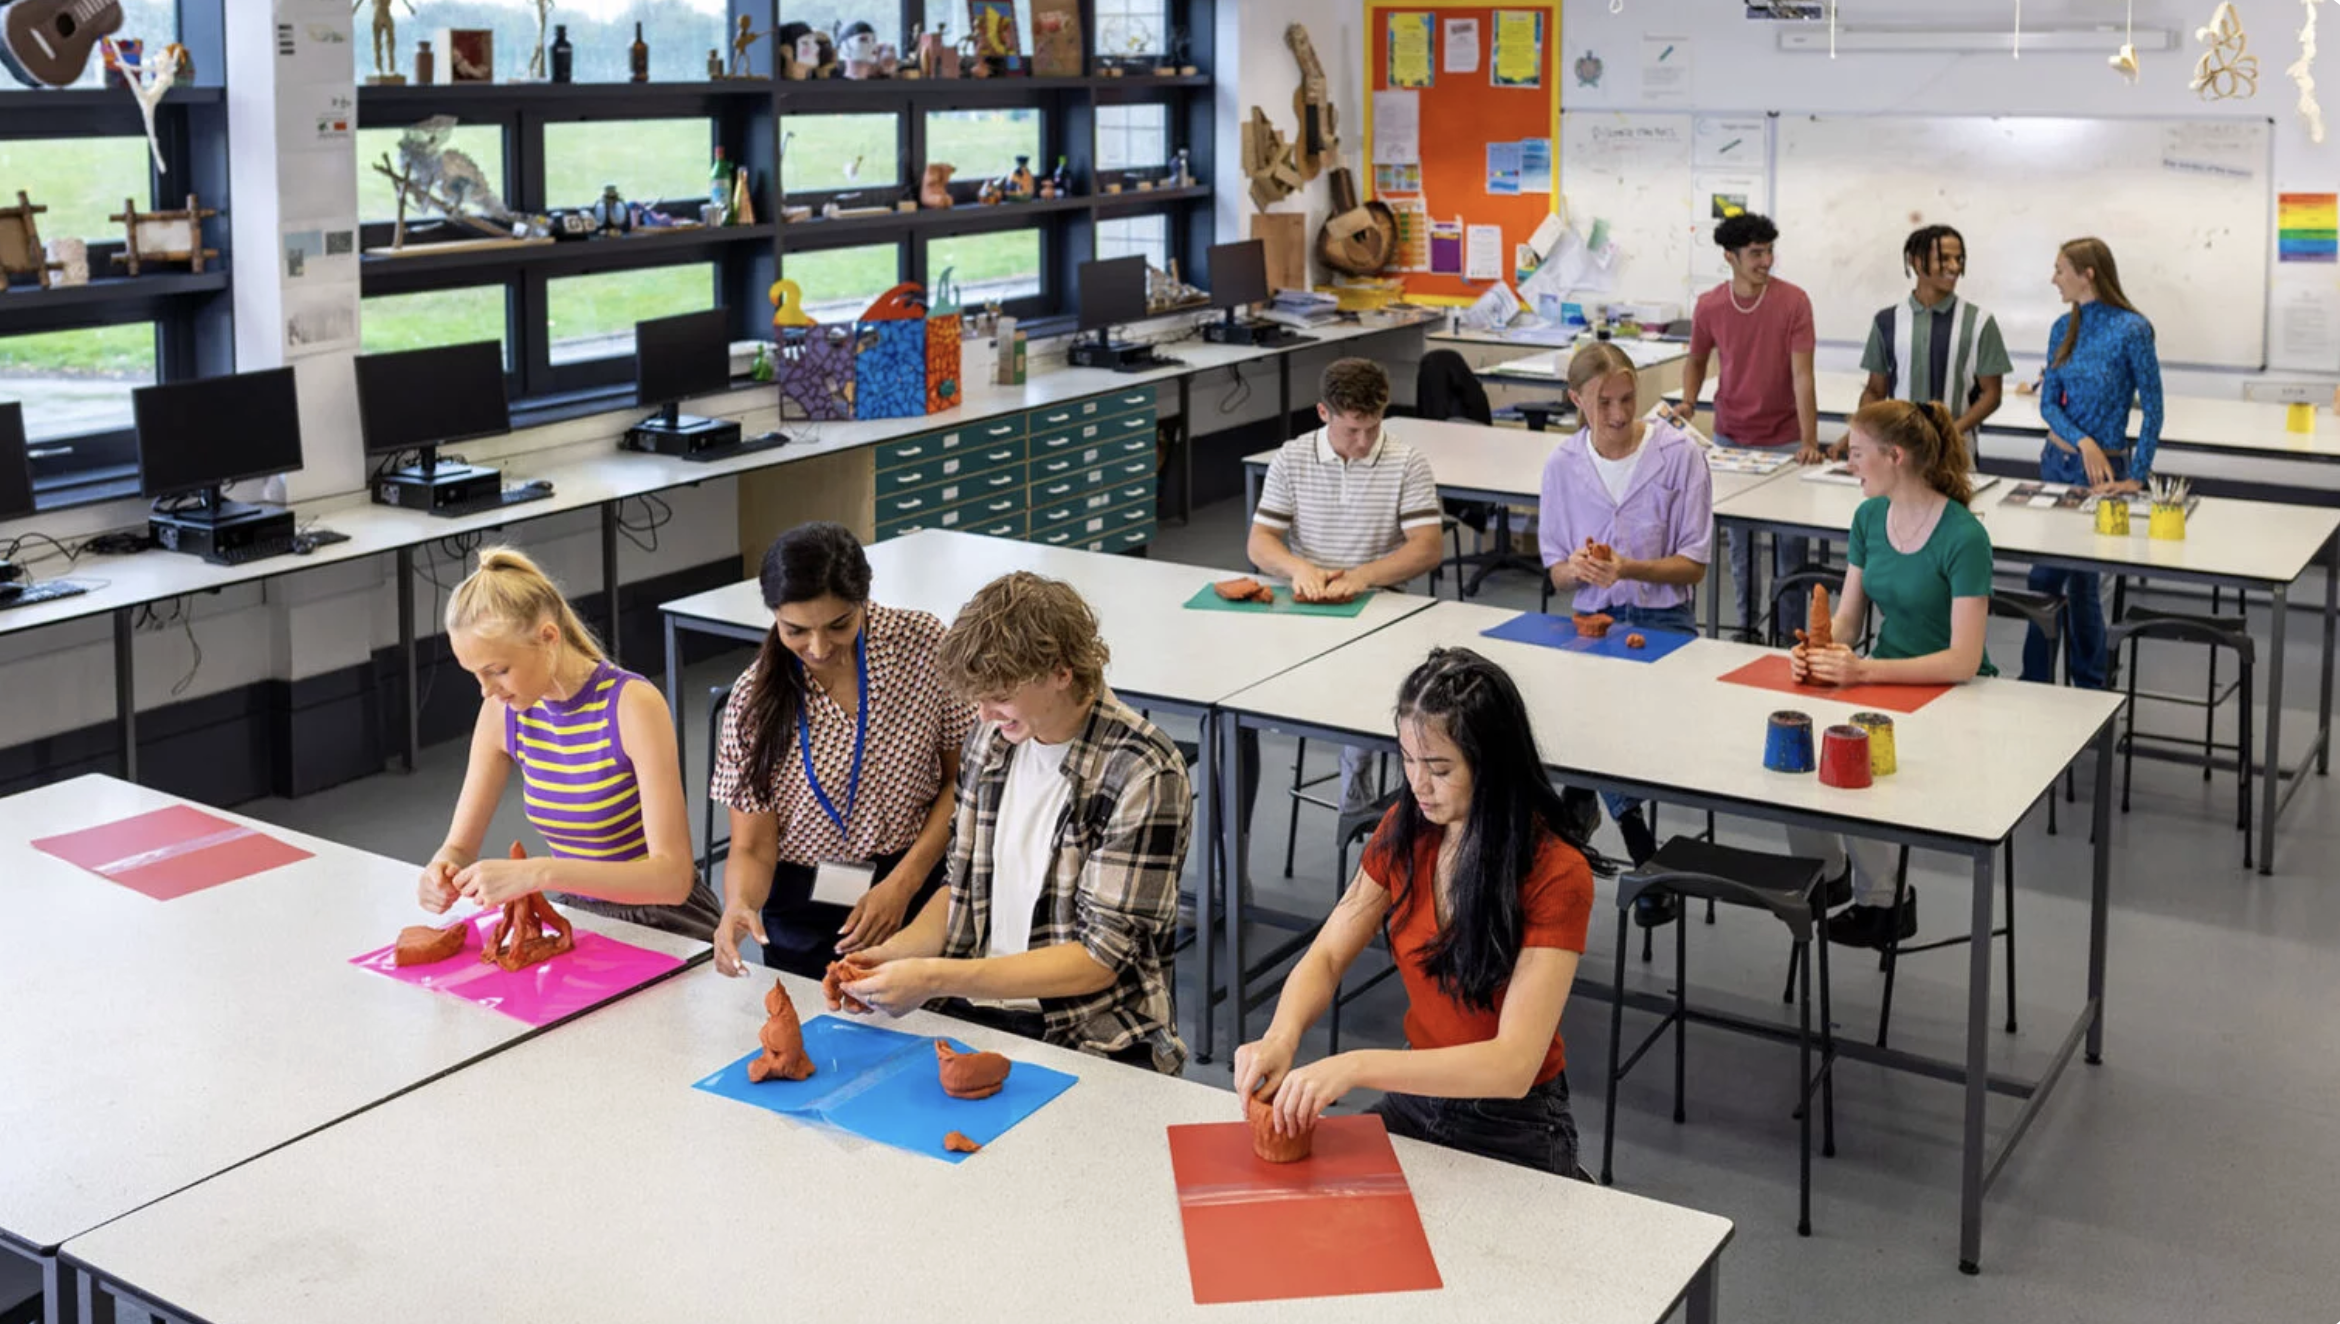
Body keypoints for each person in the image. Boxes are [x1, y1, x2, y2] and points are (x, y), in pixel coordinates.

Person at [1233, 648, 1602, 1177]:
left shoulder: (1556, 872)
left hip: (1514, 1121)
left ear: (1493, 765)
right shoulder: (1406, 831)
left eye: (1439, 768)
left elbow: (1513, 1064)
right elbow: (1330, 954)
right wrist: (1281, 1036)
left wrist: (1356, 1065)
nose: (1417, 783)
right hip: (1417, 1095)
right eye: (1407, 759)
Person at [834, 572, 1193, 1073]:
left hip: (1089, 1032)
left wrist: (934, 977)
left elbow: (1098, 961)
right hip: (978, 1007)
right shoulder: (994, 740)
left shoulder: (1143, 771)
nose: (982, 714)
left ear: (1061, 672)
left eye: (999, 696)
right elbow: (962, 889)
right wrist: (893, 956)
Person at [706, 524, 973, 979]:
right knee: (813, 1013)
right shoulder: (754, 700)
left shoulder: (921, 645)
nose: (818, 647)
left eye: (839, 625)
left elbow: (961, 780)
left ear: (862, 600)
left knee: (921, 1010)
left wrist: (903, 883)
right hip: (804, 905)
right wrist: (739, 904)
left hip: (917, 880)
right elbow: (752, 846)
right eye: (795, 630)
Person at [417, 547, 720, 938]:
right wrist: (440, 870)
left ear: (548, 637)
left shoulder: (632, 705)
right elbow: (458, 848)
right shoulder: (501, 712)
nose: (486, 690)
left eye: (498, 671)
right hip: (582, 916)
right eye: (475, 674)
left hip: (667, 920)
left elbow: (673, 878)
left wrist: (539, 873)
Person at [1787, 401, 1996, 948]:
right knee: (1798, 745)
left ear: (1895, 456)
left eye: (1858, 454)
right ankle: (1827, 875)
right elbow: (1848, 620)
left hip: (1955, 695)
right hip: (1882, 681)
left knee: (1860, 759)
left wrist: (1862, 670)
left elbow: (1963, 660)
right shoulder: (1868, 519)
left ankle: (1886, 901)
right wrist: (1817, 648)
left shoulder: (1964, 537)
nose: (1849, 463)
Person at [1537, 341, 1711, 879]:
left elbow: (1694, 566)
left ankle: (1583, 803)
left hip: (1665, 622)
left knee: (1594, 716)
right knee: (1581, 707)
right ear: (1576, 400)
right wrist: (1577, 569)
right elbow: (1556, 574)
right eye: (1603, 402)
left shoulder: (1679, 456)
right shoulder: (1562, 465)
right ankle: (1638, 843)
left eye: (1627, 400)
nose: (1617, 414)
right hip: (1592, 623)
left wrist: (1629, 568)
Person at [1248, 357, 1445, 815]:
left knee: (1378, 681)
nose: (1364, 441)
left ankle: (1359, 768)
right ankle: (1348, 752)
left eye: (1373, 428)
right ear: (1324, 413)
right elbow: (1260, 542)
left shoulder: (1406, 462)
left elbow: (1427, 547)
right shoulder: (1292, 457)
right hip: (1307, 605)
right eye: (1353, 429)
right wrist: (1297, 568)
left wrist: (1363, 576)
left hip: (1381, 603)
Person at [1675, 211, 1822, 639]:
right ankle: (1746, 628)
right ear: (1730, 256)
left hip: (1785, 438)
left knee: (1791, 548)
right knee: (1739, 545)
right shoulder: (1710, 305)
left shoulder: (1794, 301)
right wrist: (1689, 401)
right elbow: (1696, 359)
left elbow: (1803, 375)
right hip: (1732, 436)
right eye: (1756, 253)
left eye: (1769, 251)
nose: (1766, 261)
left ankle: (1792, 635)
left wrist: (1810, 441)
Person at [2027, 236, 2162, 689]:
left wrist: (2138, 476)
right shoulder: (2062, 327)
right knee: (2044, 577)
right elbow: (2049, 404)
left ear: (2087, 274)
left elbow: (2154, 410)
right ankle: (2034, 679)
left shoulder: (2133, 329)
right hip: (2058, 465)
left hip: (2107, 476)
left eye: (2060, 269)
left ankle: (2089, 685)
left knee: (2084, 583)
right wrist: (2084, 442)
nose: (2054, 278)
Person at [1856, 225, 2013, 443]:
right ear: (1917, 262)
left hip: (1957, 453)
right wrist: (1860, 432)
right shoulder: (1886, 321)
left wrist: (1949, 434)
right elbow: (1875, 390)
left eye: (1959, 259)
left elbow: (1992, 394)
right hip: (1899, 450)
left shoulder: (1980, 322)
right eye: (1944, 258)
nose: (1955, 266)